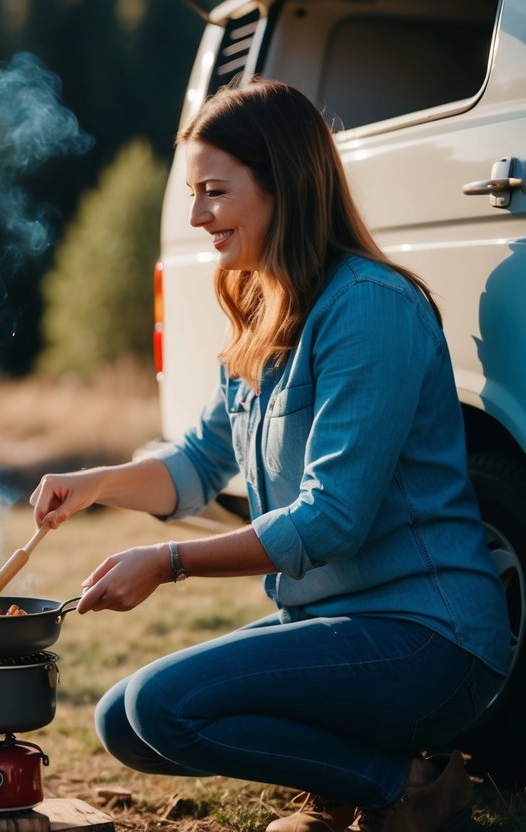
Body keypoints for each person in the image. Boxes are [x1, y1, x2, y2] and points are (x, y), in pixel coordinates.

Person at [30, 79, 509, 832]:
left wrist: (167, 562)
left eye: (214, 192)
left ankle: (398, 787)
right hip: (332, 624)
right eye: (192, 194)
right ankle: (363, 781)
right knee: (123, 717)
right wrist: (95, 485)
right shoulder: (261, 308)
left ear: (282, 183)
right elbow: (194, 464)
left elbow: (332, 521)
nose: (195, 217)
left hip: (427, 639)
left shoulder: (369, 305)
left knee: (164, 707)